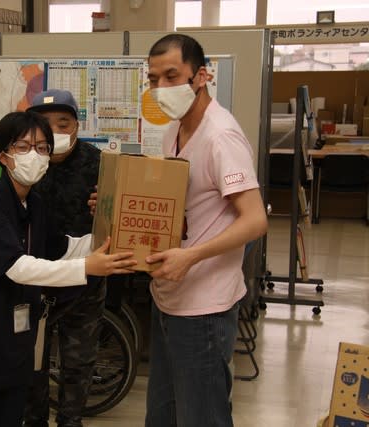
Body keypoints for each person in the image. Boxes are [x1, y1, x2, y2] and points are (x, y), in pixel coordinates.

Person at [0, 111, 137, 427]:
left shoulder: (34, 204)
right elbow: (17, 267)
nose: (35, 155)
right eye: (24, 147)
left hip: (17, 337)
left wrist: (113, 242)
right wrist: (87, 267)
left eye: (42, 148)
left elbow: (60, 248)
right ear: (3, 156)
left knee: (11, 416)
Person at [143, 34, 268, 427]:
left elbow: (255, 219)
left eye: (171, 76)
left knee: (202, 417)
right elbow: (182, 206)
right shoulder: (174, 131)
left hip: (205, 309)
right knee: (162, 415)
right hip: (169, 297)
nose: (161, 88)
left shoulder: (220, 136)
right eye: (153, 79)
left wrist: (192, 256)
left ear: (200, 76)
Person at [24, 89, 110, 427]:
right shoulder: (26, 162)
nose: (55, 131)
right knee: (32, 359)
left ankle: (71, 420)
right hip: (35, 278)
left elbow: (119, 219)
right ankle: (34, 420)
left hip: (85, 278)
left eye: (63, 123)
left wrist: (106, 209)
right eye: (45, 125)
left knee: (79, 359)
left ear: (76, 125)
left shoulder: (99, 164)